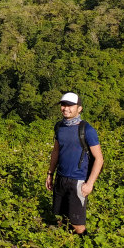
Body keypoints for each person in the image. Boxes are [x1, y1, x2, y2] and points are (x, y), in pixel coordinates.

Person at [45, 92, 103, 235]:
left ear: (79, 108)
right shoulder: (59, 127)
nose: (66, 108)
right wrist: (50, 174)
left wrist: (89, 184)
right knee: (63, 218)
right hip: (61, 178)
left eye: (70, 105)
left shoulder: (87, 130)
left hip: (77, 180)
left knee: (78, 225)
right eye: (63, 105)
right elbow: (56, 151)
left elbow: (99, 159)